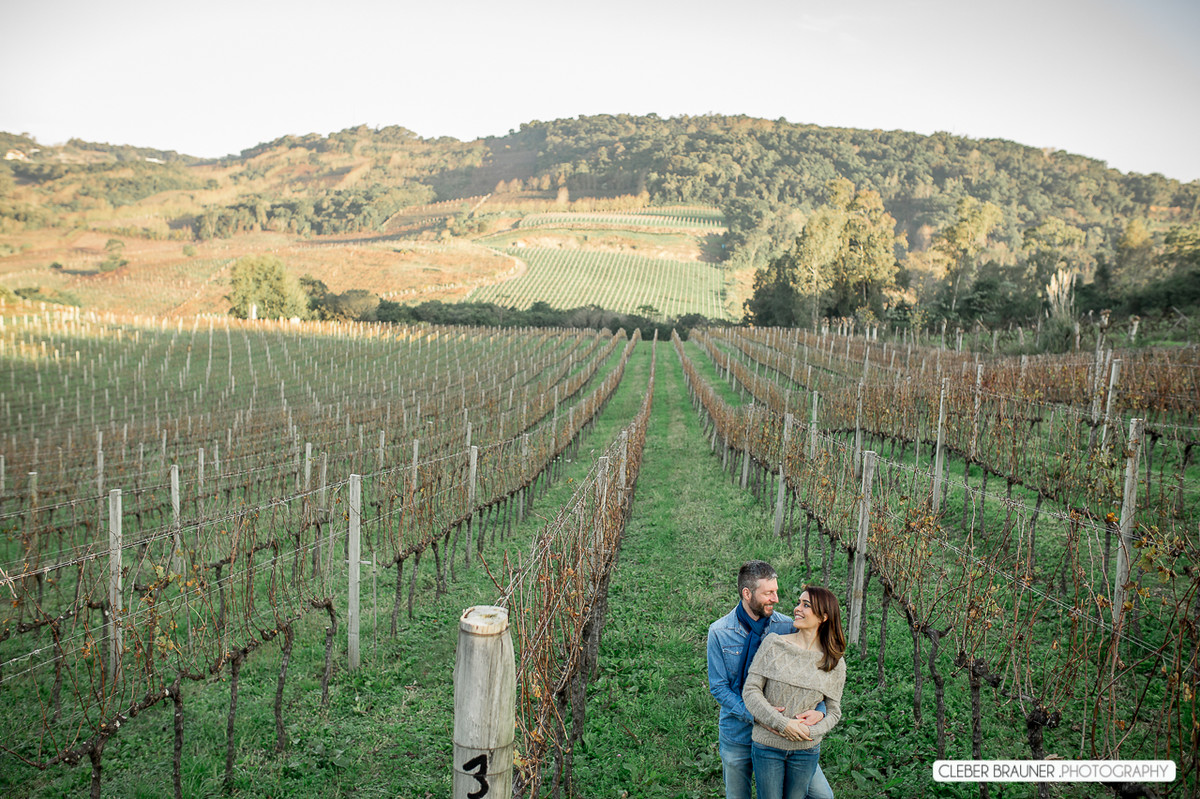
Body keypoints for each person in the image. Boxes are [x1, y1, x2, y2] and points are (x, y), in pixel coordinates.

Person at [707, 562, 834, 799]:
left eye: (776, 591)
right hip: (739, 731)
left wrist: (821, 710)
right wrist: (757, 714)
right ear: (747, 593)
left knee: (822, 796)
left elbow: (815, 676)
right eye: (768, 593)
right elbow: (719, 687)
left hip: (784, 732)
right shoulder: (719, 632)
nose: (776, 598)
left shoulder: (787, 626)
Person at [742, 585, 846, 799]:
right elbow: (751, 691)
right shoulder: (774, 644)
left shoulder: (833, 661)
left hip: (806, 750)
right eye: (799, 603)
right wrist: (782, 724)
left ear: (823, 616)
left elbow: (834, 711)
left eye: (805, 605)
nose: (797, 608)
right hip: (767, 746)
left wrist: (811, 732)